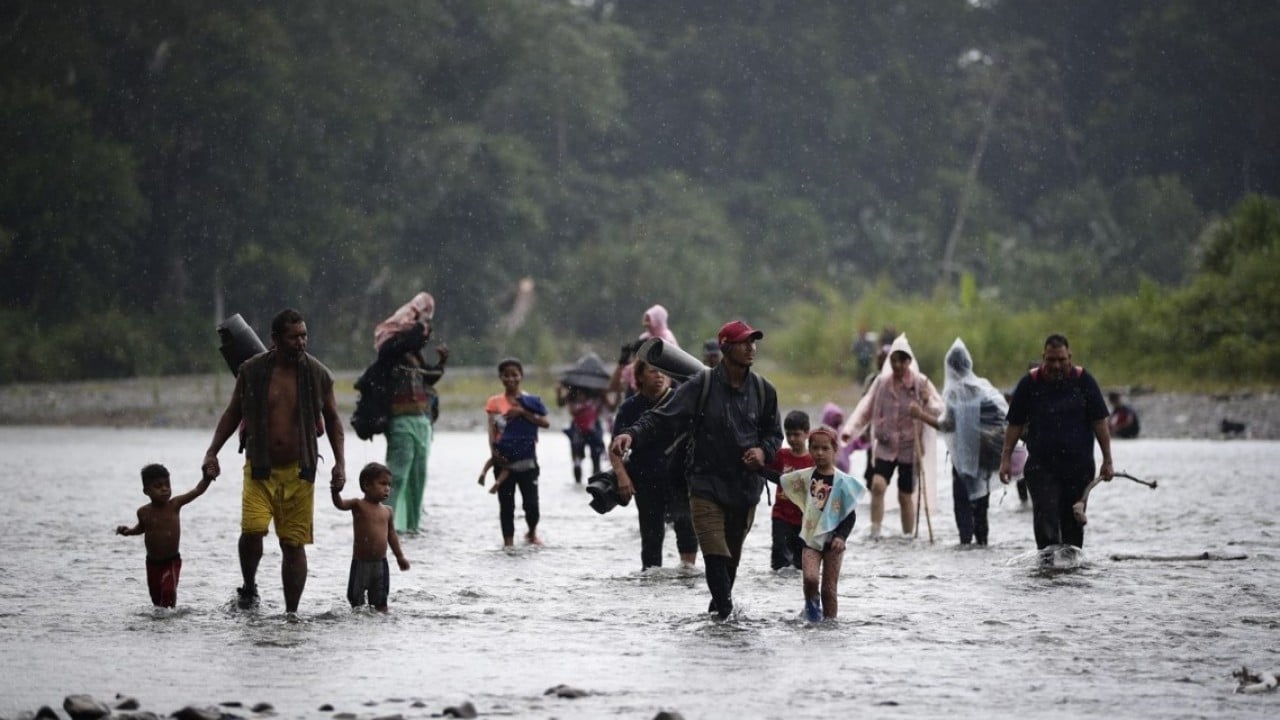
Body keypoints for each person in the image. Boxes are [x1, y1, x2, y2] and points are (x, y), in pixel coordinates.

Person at [610, 320, 782, 620]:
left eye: (753, 342)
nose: (751, 347)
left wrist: (762, 451)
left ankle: (718, 616)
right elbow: (662, 417)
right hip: (705, 486)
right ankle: (729, 621)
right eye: (744, 342)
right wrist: (632, 434)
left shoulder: (765, 391)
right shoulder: (700, 386)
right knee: (714, 556)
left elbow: (773, 434)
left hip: (745, 490)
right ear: (727, 348)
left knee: (730, 563)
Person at [203, 308, 346, 614]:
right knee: (252, 530)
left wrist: (340, 463)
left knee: (293, 544)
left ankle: (291, 613)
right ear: (275, 339)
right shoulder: (252, 371)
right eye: (294, 337)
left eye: (305, 335)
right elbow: (233, 413)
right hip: (260, 468)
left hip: (300, 471)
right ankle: (249, 585)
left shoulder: (318, 374)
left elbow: (333, 420)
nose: (302, 342)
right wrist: (212, 450)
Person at [999, 334, 1114, 551]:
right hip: (1042, 467)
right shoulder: (1030, 383)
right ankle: (1047, 574)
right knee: (1046, 525)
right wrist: (1005, 459)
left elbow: (1100, 422)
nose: (1057, 365)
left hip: (1078, 468)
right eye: (1051, 360)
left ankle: (1070, 578)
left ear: (1070, 357)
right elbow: (1014, 425)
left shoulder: (1083, 381)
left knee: (1072, 529)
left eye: (1062, 360)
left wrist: (1107, 460)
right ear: (1044, 357)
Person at [841, 333, 941, 540]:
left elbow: (939, 410)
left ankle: (906, 536)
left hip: (909, 447)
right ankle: (875, 530)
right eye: (893, 360)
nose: (897, 365)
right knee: (877, 485)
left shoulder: (920, 383)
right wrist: (850, 431)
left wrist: (926, 401)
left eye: (901, 361)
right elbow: (865, 408)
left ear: (908, 361)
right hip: (886, 445)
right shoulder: (882, 383)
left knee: (905, 495)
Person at [911, 339, 1007, 546]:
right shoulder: (983, 388)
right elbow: (1003, 417)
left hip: (963, 460)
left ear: (950, 366)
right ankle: (982, 546)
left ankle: (965, 546)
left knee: (963, 506)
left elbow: (947, 425)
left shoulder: (955, 393)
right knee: (981, 506)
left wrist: (921, 414)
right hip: (983, 457)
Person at [609, 359, 699, 572]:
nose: (659, 376)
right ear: (639, 377)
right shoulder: (630, 407)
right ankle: (651, 582)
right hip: (646, 478)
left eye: (663, 372)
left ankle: (688, 574)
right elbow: (614, 447)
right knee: (651, 536)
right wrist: (622, 477)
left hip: (680, 478)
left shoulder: (680, 401)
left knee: (686, 528)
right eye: (653, 371)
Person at [374, 292, 448, 535]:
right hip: (400, 421)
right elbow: (402, 343)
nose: (424, 334)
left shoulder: (414, 356)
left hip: (421, 421)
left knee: (419, 476)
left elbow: (429, 377)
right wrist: (416, 330)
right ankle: (384, 524)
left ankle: (412, 526)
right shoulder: (391, 354)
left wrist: (441, 363)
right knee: (397, 475)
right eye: (421, 330)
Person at [777, 427, 865, 621]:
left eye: (825, 448)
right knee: (809, 579)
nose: (819, 453)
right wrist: (757, 468)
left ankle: (829, 625)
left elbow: (850, 515)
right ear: (809, 448)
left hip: (834, 544)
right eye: (815, 448)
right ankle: (812, 608)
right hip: (811, 540)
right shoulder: (806, 477)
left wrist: (841, 537)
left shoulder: (843, 482)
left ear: (835, 450)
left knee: (829, 589)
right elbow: (782, 480)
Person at [116, 464, 214, 608]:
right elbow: (142, 529)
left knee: (168, 592)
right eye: (158, 486)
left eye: (167, 484)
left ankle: (170, 624)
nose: (165, 489)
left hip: (171, 562)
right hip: (152, 563)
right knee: (156, 599)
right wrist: (129, 531)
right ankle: (160, 627)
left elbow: (198, 490)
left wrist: (207, 478)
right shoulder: (143, 512)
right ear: (146, 491)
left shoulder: (175, 505)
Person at [485, 358, 550, 547]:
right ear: (500, 377)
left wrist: (523, 413)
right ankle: (509, 544)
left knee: (531, 505)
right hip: (503, 460)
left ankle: (531, 532)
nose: (510, 379)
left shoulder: (531, 401)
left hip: (527, 460)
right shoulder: (494, 402)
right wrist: (493, 452)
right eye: (506, 375)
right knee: (506, 506)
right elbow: (492, 429)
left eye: (514, 374)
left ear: (521, 376)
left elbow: (545, 423)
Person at [331, 462, 409, 611]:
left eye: (389, 485)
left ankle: (380, 628)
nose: (387, 488)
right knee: (356, 602)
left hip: (380, 564)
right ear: (367, 486)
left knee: (381, 603)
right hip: (360, 563)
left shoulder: (387, 511)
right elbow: (340, 504)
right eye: (382, 483)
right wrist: (335, 492)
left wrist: (400, 557)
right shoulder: (358, 505)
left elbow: (391, 536)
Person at [768, 410, 814, 572]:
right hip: (781, 516)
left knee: (800, 563)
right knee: (779, 561)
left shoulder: (813, 460)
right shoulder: (781, 455)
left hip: (804, 519)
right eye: (788, 434)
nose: (792, 439)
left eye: (796, 434)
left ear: (807, 433)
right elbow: (767, 471)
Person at [610, 304, 681, 398]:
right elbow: (615, 387)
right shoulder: (644, 338)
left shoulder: (667, 340)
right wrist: (623, 363)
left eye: (649, 319)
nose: (646, 323)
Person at [556, 382, 610, 484]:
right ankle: (578, 483)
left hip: (593, 430)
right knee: (577, 460)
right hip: (578, 430)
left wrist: (606, 396)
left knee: (596, 458)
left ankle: (596, 485)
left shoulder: (598, 394)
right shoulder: (573, 394)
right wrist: (559, 392)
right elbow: (561, 404)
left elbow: (611, 408)